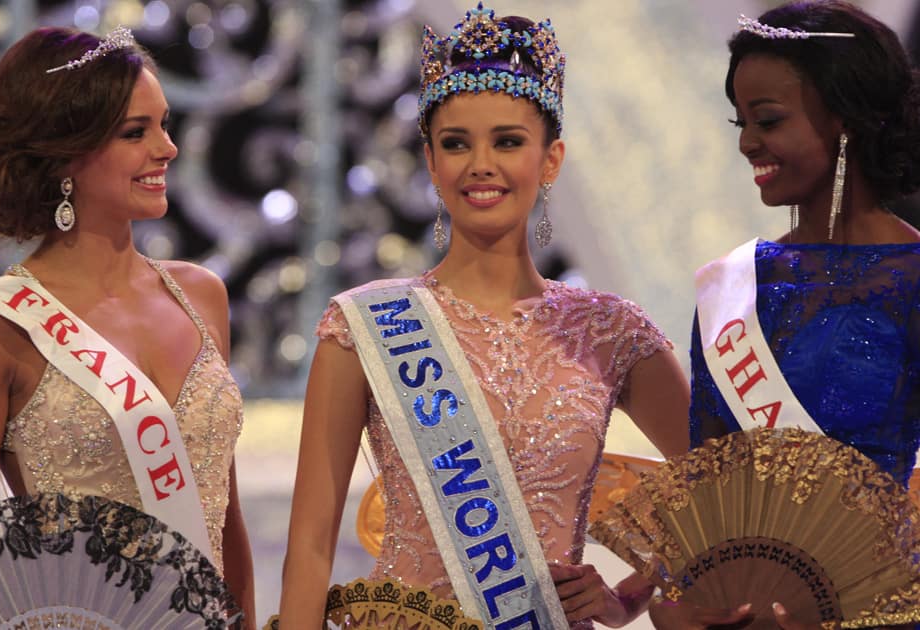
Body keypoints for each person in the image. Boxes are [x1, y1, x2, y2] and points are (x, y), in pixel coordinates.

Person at [278, 4, 693, 628]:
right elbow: (310, 546)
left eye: (507, 141)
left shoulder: (611, 332)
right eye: (455, 143)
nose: (480, 165)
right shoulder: (363, 325)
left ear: (550, 160)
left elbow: (727, 493)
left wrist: (629, 596)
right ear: (430, 161)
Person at [0, 27, 254, 624]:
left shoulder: (202, 296)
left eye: (164, 123)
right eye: (136, 132)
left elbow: (226, 526)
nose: (168, 148)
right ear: (64, 154)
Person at [659, 1, 920, 628]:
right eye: (741, 121)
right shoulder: (733, 286)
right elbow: (706, 490)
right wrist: (681, 603)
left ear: (847, 120)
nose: (748, 142)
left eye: (769, 120)